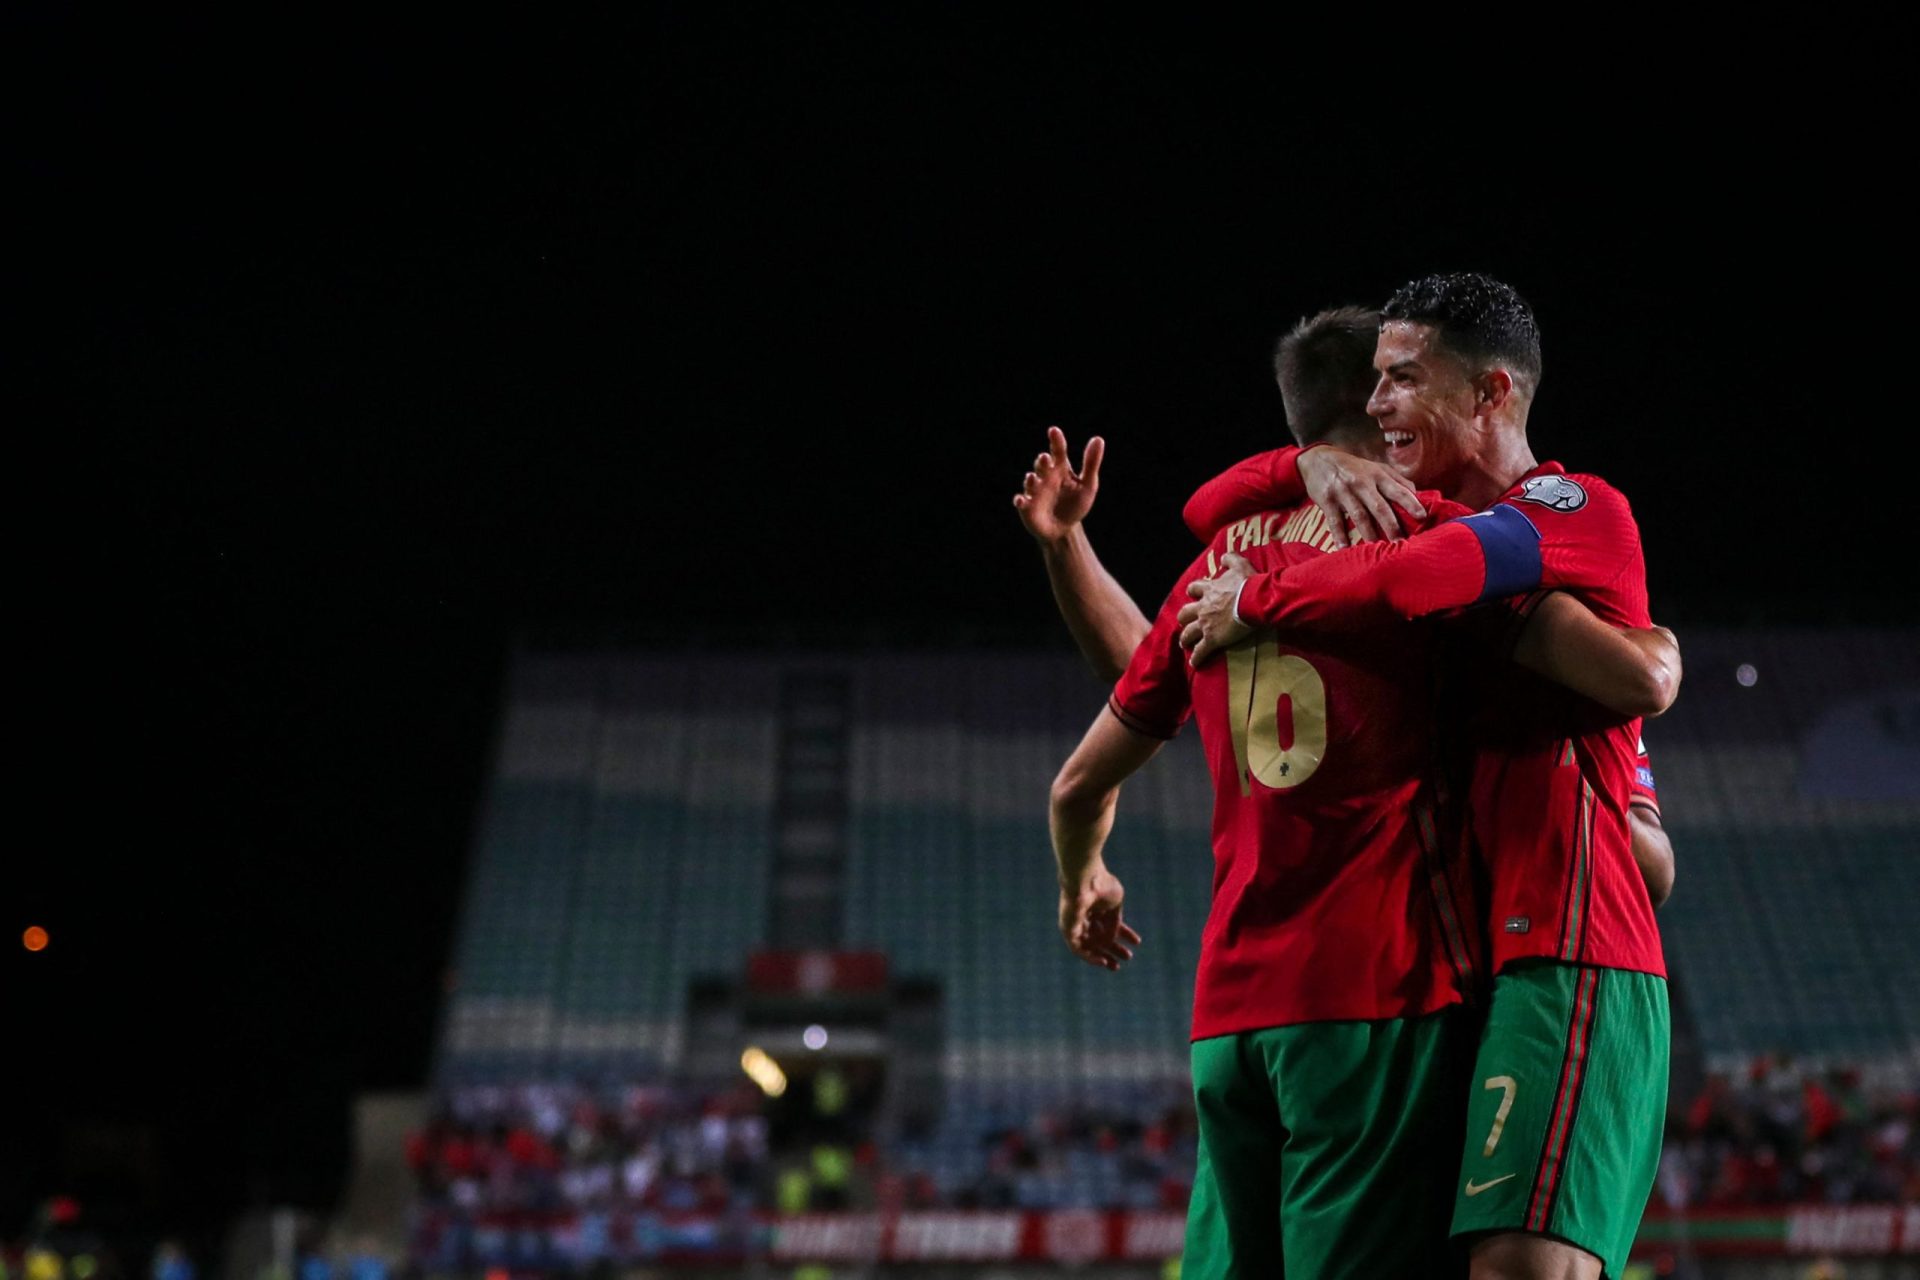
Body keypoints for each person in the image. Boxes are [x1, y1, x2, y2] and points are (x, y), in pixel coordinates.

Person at [1034, 306, 1679, 1278]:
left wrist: (1069, 549)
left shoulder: (1220, 560)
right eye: (1383, 386)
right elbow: (1632, 677)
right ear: (1374, 427)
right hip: (1377, 994)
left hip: (1230, 1020)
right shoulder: (1422, 545)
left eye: (1406, 379)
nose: (1393, 402)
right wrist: (1653, 656)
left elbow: (1136, 712)